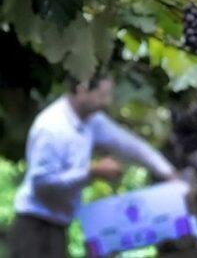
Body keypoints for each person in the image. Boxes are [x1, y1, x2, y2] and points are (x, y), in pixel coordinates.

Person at [9, 75, 178, 258]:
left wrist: (168, 172)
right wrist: (91, 172)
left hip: (58, 225)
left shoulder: (91, 121)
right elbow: (42, 184)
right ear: (82, 89)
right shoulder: (52, 127)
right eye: (102, 95)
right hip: (34, 226)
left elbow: (128, 145)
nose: (107, 102)